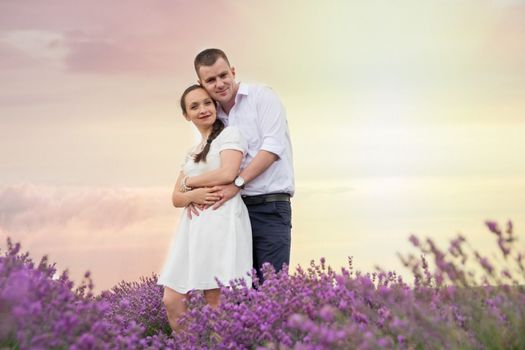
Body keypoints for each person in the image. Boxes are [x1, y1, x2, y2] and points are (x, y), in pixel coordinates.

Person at [184, 48, 294, 283]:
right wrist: (194, 194)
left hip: (270, 206)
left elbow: (273, 148)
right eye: (211, 80)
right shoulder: (214, 119)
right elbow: (207, 164)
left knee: (273, 289)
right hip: (231, 212)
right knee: (237, 291)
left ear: (233, 71)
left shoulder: (262, 97)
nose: (220, 83)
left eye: (224, 75)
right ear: (201, 83)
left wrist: (238, 182)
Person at [157, 84, 252, 331]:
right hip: (191, 228)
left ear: (215, 105)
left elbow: (228, 172)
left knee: (215, 300)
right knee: (173, 298)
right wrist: (192, 195)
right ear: (186, 115)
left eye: (207, 103)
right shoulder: (192, 152)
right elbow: (176, 198)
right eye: (194, 106)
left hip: (222, 219)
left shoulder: (230, 135)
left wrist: (189, 183)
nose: (202, 109)